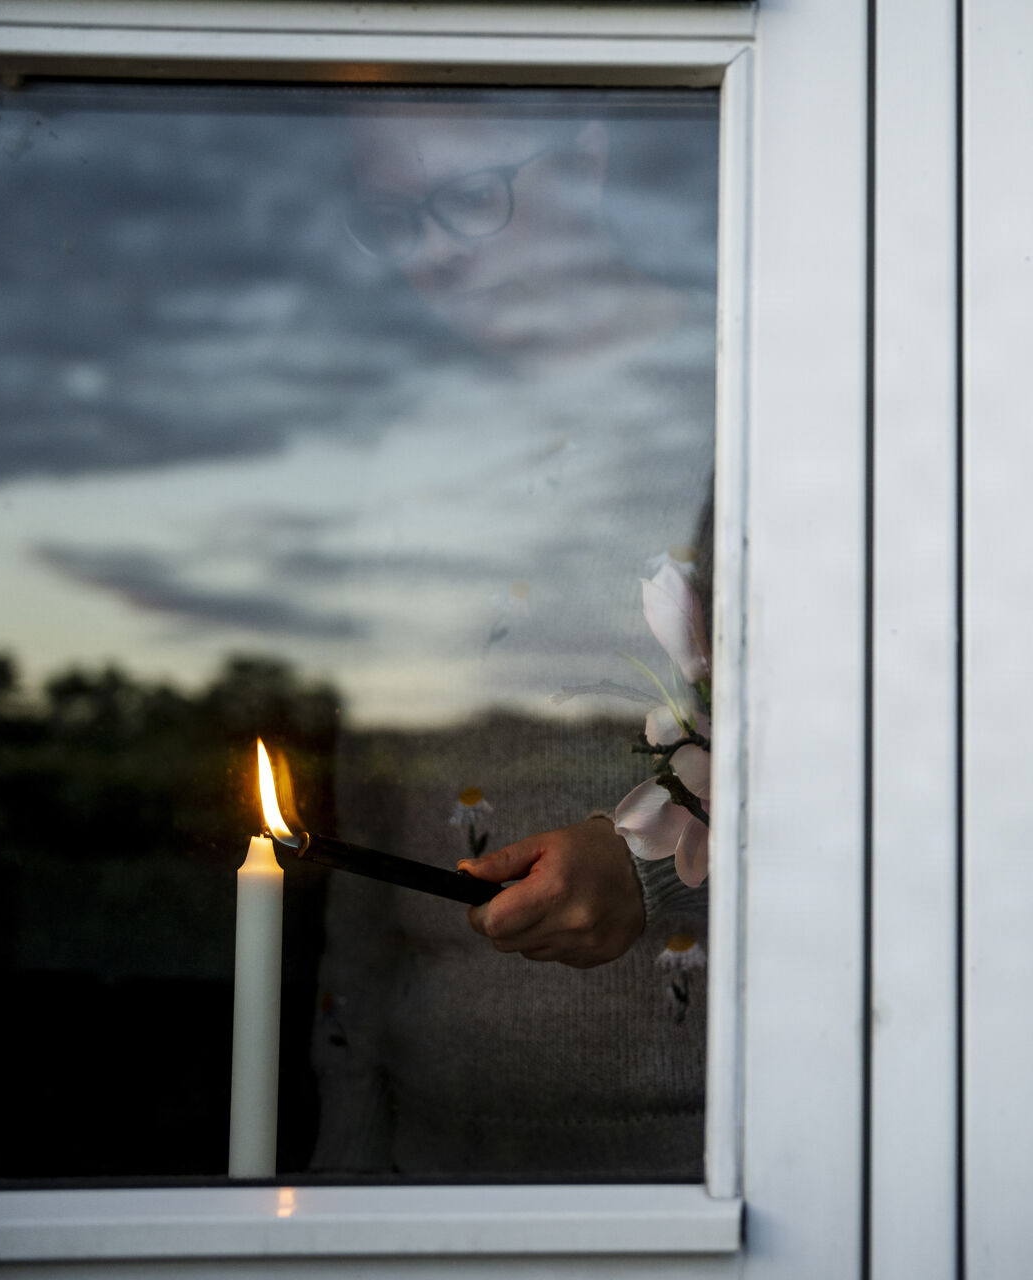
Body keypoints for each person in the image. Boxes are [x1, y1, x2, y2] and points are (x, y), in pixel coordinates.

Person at [310, 98, 713, 1177]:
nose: (433, 254)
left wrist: (650, 869)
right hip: (433, 1155)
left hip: (721, 1162)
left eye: (470, 198)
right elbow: (368, 849)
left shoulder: (760, 408)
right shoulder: (406, 459)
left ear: (586, 155)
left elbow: (884, 771)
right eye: (394, 219)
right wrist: (346, 1148)